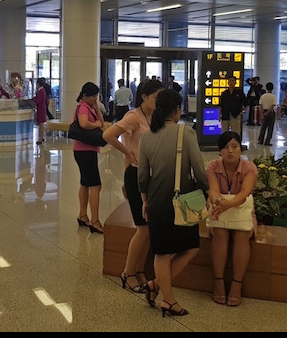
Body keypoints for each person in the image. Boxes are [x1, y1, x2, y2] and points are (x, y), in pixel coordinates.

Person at [138, 89, 208, 317]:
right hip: (183, 201)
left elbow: (142, 177)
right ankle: (167, 299)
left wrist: (145, 201)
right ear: (177, 110)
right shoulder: (185, 133)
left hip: (156, 201)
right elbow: (199, 172)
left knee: (161, 252)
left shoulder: (146, 137)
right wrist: (208, 193)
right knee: (191, 247)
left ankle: (156, 286)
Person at [102, 78, 164, 294]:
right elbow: (108, 135)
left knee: (149, 229)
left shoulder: (154, 116)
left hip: (151, 176)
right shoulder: (133, 116)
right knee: (142, 228)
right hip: (136, 175)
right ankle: (128, 273)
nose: (159, 101)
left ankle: (138, 270)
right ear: (144, 97)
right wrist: (127, 152)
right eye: (156, 97)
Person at [206, 131, 258, 306]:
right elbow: (214, 190)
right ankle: (218, 282)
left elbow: (245, 193)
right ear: (220, 151)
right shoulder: (212, 167)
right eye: (226, 147)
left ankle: (237, 284)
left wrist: (226, 205)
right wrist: (217, 203)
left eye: (234, 146)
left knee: (242, 235)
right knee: (220, 233)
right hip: (219, 210)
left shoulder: (249, 168)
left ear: (240, 149)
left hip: (242, 213)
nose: (230, 151)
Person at [72, 82, 105, 234]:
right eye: (93, 96)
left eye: (96, 96)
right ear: (85, 95)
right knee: (95, 186)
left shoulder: (89, 107)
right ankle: (95, 221)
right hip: (85, 151)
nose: (95, 99)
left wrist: (97, 108)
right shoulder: (83, 107)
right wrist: (96, 124)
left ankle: (83, 215)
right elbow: (84, 124)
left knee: (85, 183)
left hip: (84, 150)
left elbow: (102, 123)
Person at [257, 82, 277, 146]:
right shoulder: (273, 97)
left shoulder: (262, 96)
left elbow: (260, 105)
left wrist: (262, 114)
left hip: (263, 111)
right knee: (270, 128)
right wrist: (267, 113)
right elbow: (272, 106)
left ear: (266, 88)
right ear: (273, 88)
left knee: (263, 127)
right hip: (270, 113)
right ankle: (267, 141)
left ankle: (260, 140)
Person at [33, 77, 48, 146]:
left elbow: (38, 100)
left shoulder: (41, 91)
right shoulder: (41, 90)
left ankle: (41, 138)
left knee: (41, 124)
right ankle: (41, 137)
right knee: (40, 124)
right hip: (41, 108)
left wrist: (33, 100)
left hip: (41, 109)